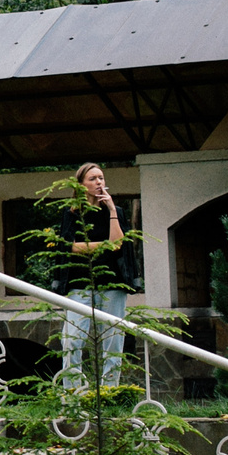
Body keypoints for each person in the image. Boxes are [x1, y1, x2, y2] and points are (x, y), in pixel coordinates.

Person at [58, 162, 137, 387]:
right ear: (81, 185)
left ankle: (109, 392)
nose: (99, 183)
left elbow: (119, 243)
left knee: (113, 341)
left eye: (101, 178)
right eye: (93, 179)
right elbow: (70, 247)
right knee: (72, 339)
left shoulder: (117, 211)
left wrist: (112, 210)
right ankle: (72, 393)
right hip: (79, 283)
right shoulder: (72, 212)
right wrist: (103, 245)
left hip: (113, 283)